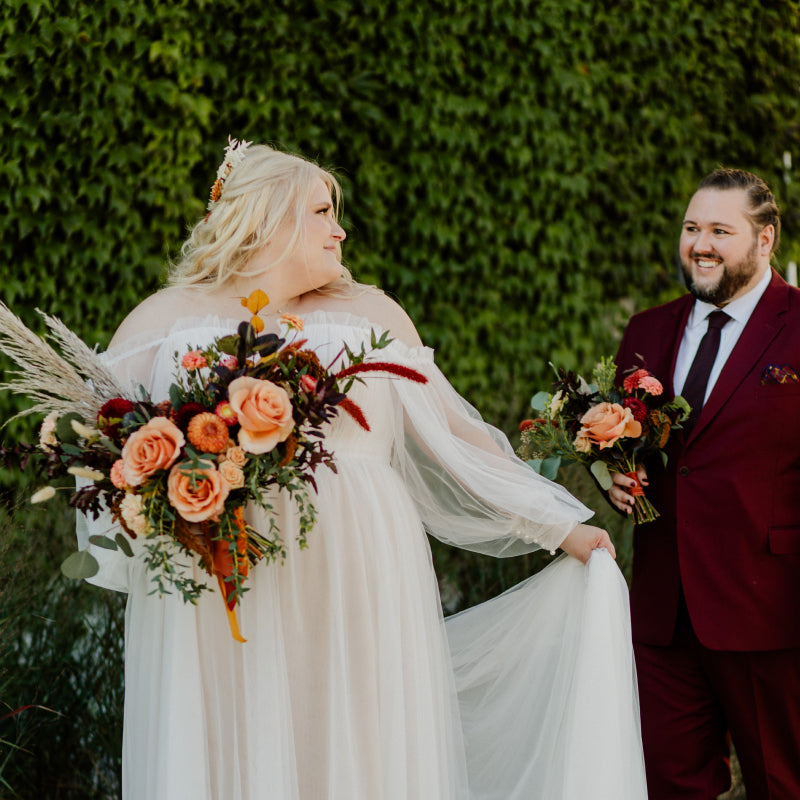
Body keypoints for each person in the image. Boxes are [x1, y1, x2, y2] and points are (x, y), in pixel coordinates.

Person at [79, 139, 647, 799]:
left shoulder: (373, 314)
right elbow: (104, 460)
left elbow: (459, 440)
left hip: (360, 581)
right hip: (222, 583)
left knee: (357, 747)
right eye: (322, 212)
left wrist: (558, 526)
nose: (339, 229)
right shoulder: (162, 320)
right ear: (266, 219)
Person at [610, 168, 800, 800]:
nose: (701, 244)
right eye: (692, 228)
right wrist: (614, 470)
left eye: (722, 230)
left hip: (771, 606)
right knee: (669, 784)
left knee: (783, 782)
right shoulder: (647, 331)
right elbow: (627, 443)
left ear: (765, 239)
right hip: (664, 611)